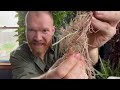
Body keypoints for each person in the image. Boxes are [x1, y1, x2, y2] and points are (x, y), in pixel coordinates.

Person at [9, 11, 120, 79]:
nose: (37, 37)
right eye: (31, 30)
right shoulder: (18, 55)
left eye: (44, 31)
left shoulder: (64, 41)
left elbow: (90, 60)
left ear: (53, 30)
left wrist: (90, 46)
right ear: (25, 31)